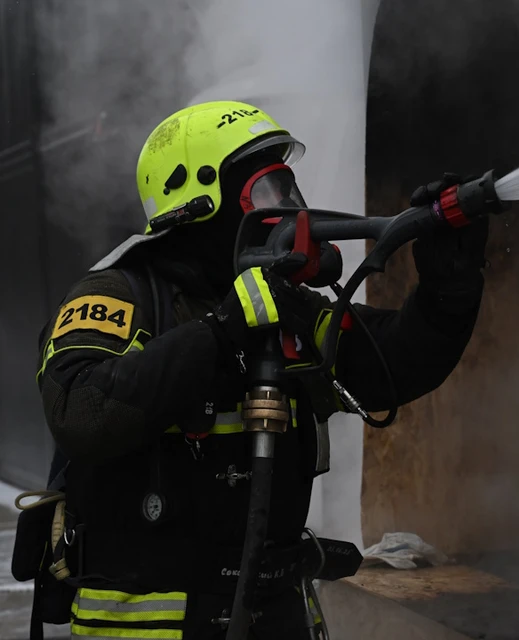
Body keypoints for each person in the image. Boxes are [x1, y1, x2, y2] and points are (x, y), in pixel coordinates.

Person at [27, 100, 489, 638]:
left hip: (274, 616)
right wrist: (221, 333)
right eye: (268, 190)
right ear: (200, 198)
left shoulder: (278, 305)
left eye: (288, 188)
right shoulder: (119, 295)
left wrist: (448, 289)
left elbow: (393, 364)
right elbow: (80, 411)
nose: (290, 207)